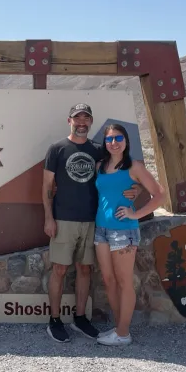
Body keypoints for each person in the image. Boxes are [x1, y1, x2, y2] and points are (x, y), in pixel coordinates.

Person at [42, 104, 141, 343]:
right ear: (70, 121)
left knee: (85, 269)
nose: (82, 122)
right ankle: (54, 320)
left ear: (91, 122)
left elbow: (117, 175)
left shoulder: (99, 150)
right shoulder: (57, 149)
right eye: (77, 118)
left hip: (92, 221)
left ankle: (79, 318)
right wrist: (48, 218)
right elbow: (46, 187)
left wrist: (135, 189)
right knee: (60, 270)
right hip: (63, 218)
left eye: (86, 118)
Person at [93, 123, 165, 346]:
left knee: (124, 281)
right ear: (105, 143)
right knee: (109, 280)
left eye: (118, 138)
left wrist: (136, 214)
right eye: (109, 139)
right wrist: (137, 191)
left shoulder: (134, 166)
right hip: (101, 229)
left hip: (123, 231)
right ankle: (118, 328)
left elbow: (160, 194)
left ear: (126, 141)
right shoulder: (101, 166)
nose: (114, 142)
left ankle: (123, 333)